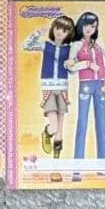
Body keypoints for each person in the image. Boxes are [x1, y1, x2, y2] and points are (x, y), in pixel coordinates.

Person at [22, 15, 75, 182]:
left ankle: (55, 169)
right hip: (48, 88)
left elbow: (73, 70)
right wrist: (37, 32)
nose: (60, 32)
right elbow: (26, 46)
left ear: (69, 33)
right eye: (58, 28)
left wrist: (71, 65)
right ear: (53, 28)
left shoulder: (70, 49)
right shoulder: (46, 45)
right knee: (54, 126)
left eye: (64, 30)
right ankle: (46, 132)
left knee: (60, 129)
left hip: (63, 89)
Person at [67, 12, 105, 182]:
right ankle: (77, 170)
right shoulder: (76, 45)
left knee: (101, 125)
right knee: (82, 124)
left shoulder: (98, 44)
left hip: (99, 86)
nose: (90, 29)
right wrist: (87, 64)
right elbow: (71, 67)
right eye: (87, 25)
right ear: (81, 25)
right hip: (86, 85)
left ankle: (103, 166)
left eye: (93, 26)